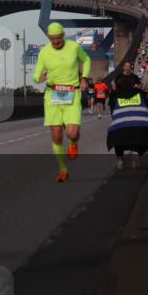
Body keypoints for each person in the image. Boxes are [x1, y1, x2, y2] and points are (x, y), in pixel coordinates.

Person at [32, 22, 91, 183]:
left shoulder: (73, 47)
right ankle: (63, 170)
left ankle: (73, 142)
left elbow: (86, 60)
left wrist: (84, 77)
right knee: (57, 137)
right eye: (53, 39)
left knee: (71, 133)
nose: (56, 41)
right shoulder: (44, 52)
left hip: (72, 94)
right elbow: (36, 74)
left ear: (63, 35)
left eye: (58, 38)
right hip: (52, 96)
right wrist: (39, 78)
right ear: (49, 38)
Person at [107, 80, 148, 169]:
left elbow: (112, 114)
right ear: (135, 85)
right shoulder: (141, 93)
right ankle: (136, 152)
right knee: (144, 138)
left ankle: (120, 159)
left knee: (116, 135)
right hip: (139, 127)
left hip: (120, 129)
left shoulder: (114, 95)